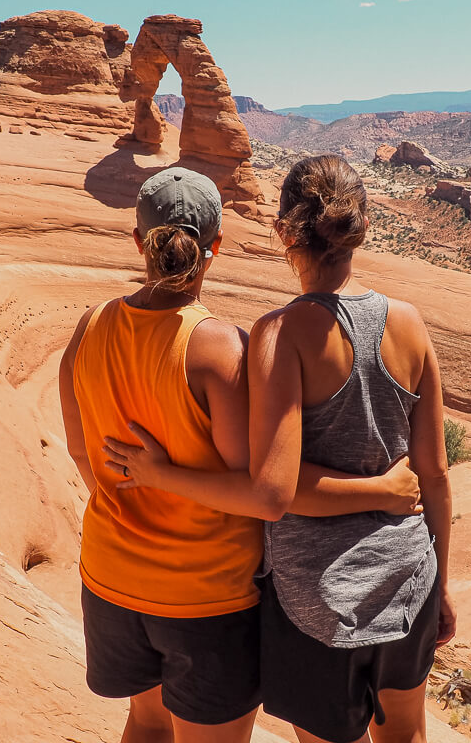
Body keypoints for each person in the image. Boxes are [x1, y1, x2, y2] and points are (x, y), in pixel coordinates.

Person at [59, 166, 421, 743]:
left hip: (110, 576)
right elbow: (257, 490)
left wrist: (137, 498)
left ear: (137, 241)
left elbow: (82, 451)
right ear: (215, 249)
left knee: (144, 724)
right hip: (205, 595)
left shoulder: (89, 328)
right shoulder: (216, 348)